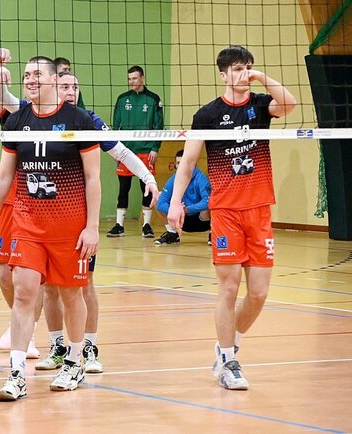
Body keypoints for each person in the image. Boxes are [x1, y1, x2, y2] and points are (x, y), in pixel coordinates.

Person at [167, 45, 296, 390]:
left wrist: (262, 77)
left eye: (247, 68)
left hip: (259, 210)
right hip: (225, 211)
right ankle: (227, 360)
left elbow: (289, 104)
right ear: (223, 74)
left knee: (259, 293)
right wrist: (176, 203)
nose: (244, 74)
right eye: (237, 69)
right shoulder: (207, 115)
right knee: (228, 288)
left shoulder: (260, 105)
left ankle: (228, 346)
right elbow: (188, 163)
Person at [0, 56, 100, 401]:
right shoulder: (17, 121)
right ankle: (16, 374)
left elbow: (93, 177)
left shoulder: (79, 120)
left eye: (36, 74)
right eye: (26, 75)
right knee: (24, 292)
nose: (30, 80)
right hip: (28, 225)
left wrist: (92, 227)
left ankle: (74, 361)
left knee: (72, 294)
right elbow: (4, 175)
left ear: (54, 79)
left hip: (69, 227)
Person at [36, 72, 159, 374]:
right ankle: (57, 346)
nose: (71, 92)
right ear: (53, 88)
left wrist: (148, 177)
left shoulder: (87, 120)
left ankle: (89, 347)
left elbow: (122, 151)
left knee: (84, 285)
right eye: (65, 86)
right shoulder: (38, 118)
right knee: (49, 287)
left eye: (75, 87)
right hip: (45, 217)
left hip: (78, 218)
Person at [0, 48, 40, 358]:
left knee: (30, 273)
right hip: (9, 202)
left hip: (37, 202)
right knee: (5, 272)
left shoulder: (62, 118)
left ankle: (30, 332)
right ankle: (17, 321)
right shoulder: (15, 115)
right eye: (27, 76)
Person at [108, 65, 164, 238]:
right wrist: (115, 150)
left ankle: (146, 226)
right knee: (123, 189)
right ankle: (119, 225)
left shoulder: (153, 99)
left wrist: (155, 148)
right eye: (129, 79)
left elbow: (159, 126)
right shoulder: (122, 99)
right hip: (125, 151)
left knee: (146, 188)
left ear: (142, 78)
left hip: (146, 150)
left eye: (134, 78)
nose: (131, 82)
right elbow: (115, 126)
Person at [155, 149, 211, 245]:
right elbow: (160, 204)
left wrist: (187, 209)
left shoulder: (201, 178)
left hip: (202, 220)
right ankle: (172, 234)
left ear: (192, 163)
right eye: (178, 163)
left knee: (212, 202)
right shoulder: (173, 180)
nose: (181, 166)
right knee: (158, 198)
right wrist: (177, 210)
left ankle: (213, 233)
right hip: (181, 219)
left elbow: (207, 201)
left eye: (184, 163)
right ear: (175, 165)